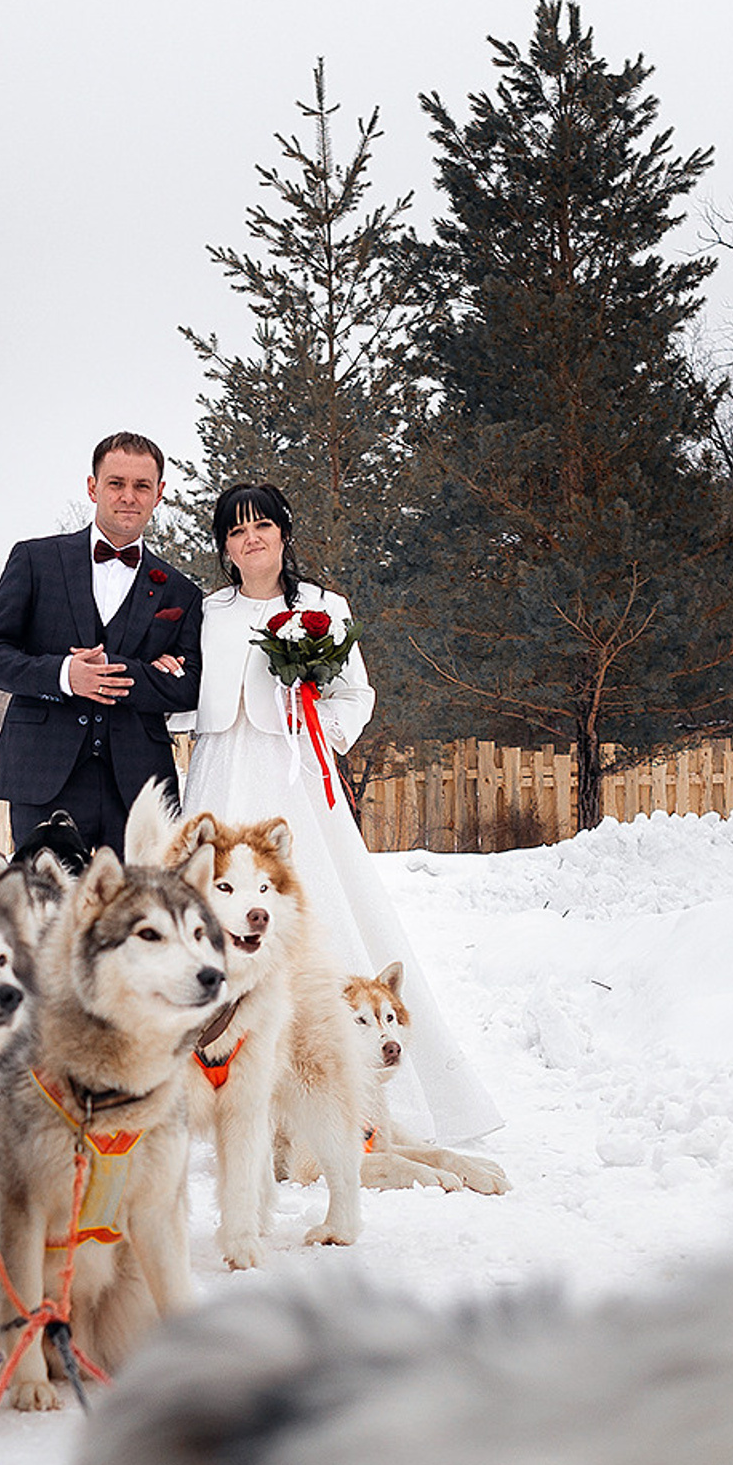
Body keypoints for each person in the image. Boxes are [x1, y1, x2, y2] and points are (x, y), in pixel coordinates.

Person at [180, 483, 501, 1147]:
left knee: (319, 907)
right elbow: (182, 689)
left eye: (262, 525)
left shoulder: (324, 608)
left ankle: (350, 1096)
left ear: (284, 532)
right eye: (236, 531)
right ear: (224, 546)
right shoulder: (205, 611)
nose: (251, 539)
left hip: (295, 777)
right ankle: (226, 1098)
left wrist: (314, 723)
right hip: (220, 773)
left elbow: (356, 694)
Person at [0, 433, 202, 869]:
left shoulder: (181, 591)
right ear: (93, 487)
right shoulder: (35, 560)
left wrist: (124, 671)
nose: (128, 496)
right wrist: (64, 676)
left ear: (159, 494)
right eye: (116, 483)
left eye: (142, 486)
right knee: (45, 903)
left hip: (139, 784)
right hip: (44, 774)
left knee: (137, 908)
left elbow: (189, 687)